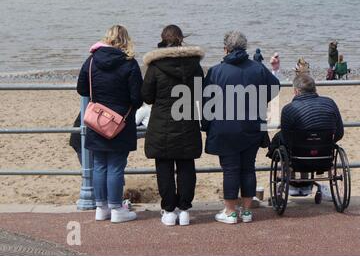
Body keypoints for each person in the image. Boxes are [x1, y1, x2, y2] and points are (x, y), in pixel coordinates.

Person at [202, 31, 280, 224]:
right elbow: (275, 87)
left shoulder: (215, 71)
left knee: (230, 169)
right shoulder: (258, 68)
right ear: (245, 48)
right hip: (252, 126)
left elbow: (206, 103)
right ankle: (246, 211)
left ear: (225, 48)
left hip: (224, 128)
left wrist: (206, 126)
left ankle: (230, 212)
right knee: (248, 168)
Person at [77, 25, 143, 223]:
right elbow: (137, 98)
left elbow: (82, 89)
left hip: (96, 120)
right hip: (119, 122)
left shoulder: (91, 61)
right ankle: (116, 209)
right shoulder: (129, 64)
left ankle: (101, 207)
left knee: (99, 165)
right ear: (125, 40)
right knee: (115, 166)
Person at [141, 25, 204, 226]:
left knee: (164, 167)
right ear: (181, 39)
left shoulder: (155, 66)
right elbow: (200, 92)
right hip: (187, 120)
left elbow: (147, 97)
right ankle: (184, 209)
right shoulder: (194, 65)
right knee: (186, 165)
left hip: (162, 123)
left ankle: (168, 211)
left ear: (162, 39)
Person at [269, 73, 344, 197]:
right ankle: (305, 184)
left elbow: (287, 140)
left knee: (280, 140)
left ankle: (290, 180)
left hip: (297, 159)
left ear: (297, 91)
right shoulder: (330, 103)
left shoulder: (289, 109)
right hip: (324, 156)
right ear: (315, 89)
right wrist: (328, 144)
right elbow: (340, 133)